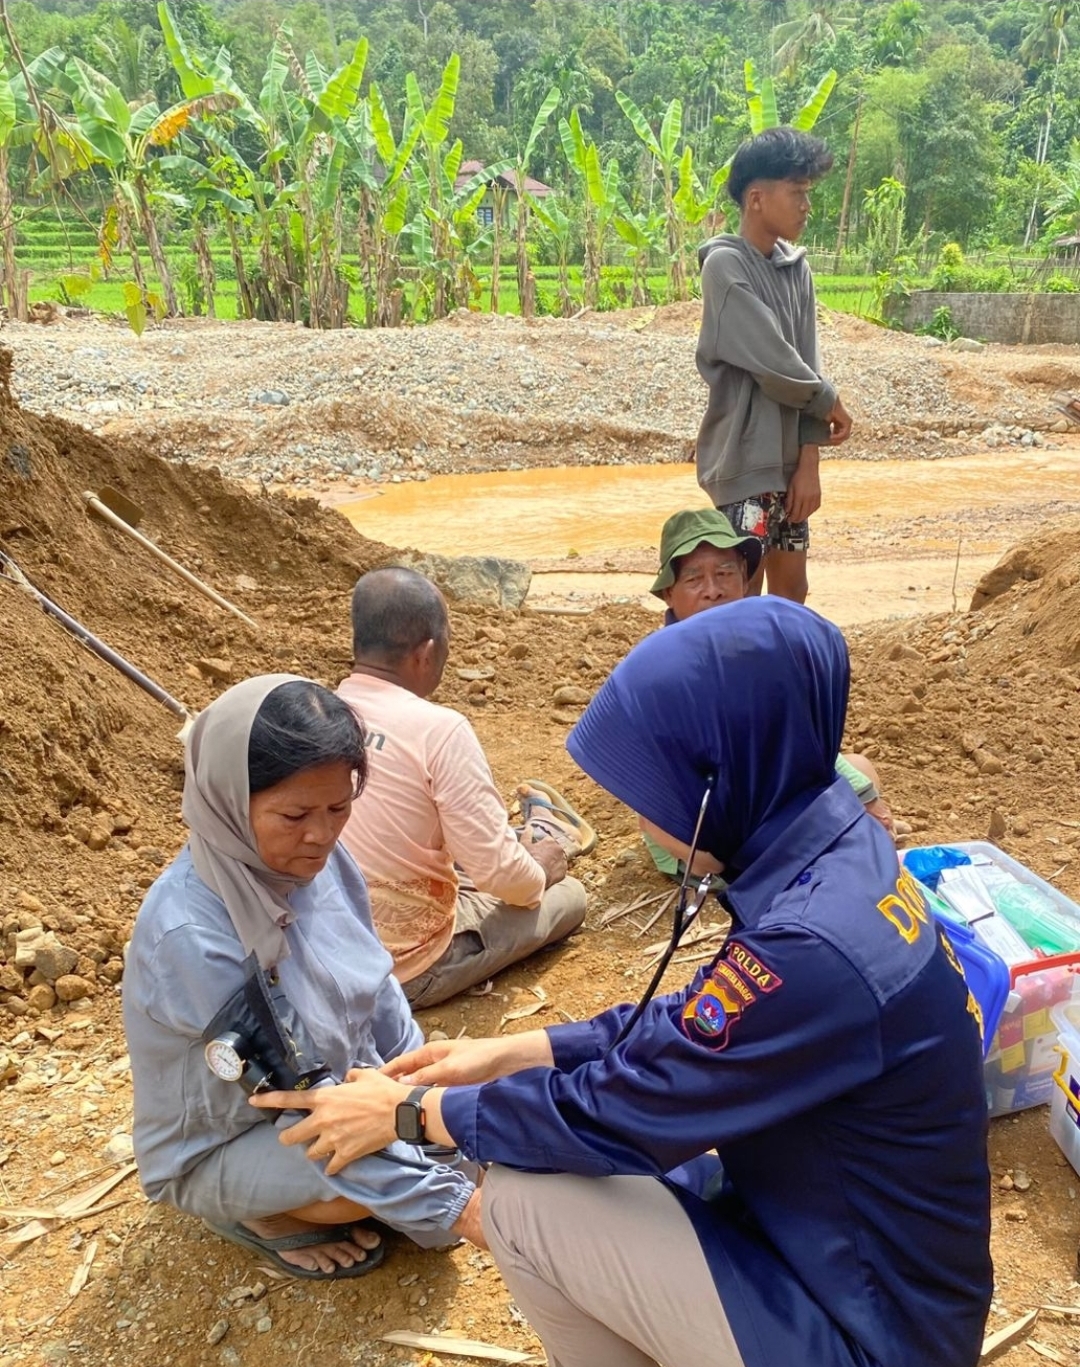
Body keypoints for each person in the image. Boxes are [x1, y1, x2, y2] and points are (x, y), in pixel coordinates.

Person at [252, 599, 992, 1367]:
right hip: (833, 1252)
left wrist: (412, 1111)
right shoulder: (837, 860)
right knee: (549, 1165)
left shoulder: (812, 944)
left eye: (649, 786)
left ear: (716, 775)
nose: (638, 814)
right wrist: (514, 1050)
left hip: (867, 1332)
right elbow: (704, 1024)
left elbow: (623, 1112)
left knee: (521, 1198)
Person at [122, 674, 480, 1280]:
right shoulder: (192, 938)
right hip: (240, 1137)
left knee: (455, 1140)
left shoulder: (318, 861)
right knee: (427, 1197)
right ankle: (264, 1215)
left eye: (339, 808)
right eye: (293, 814)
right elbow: (301, 1101)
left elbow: (379, 988)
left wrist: (424, 1088)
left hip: (338, 1090)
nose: (321, 835)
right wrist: (467, 1213)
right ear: (228, 800)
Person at [338, 568, 587, 1008]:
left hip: (326, 956)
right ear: (428, 652)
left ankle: (526, 839)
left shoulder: (319, 712)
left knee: (458, 851)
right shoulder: (439, 730)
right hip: (404, 971)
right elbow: (504, 879)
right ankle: (545, 838)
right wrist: (543, 871)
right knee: (568, 896)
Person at [650, 506, 895, 845]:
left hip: (762, 793)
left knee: (860, 768)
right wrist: (863, 802)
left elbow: (803, 740)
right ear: (668, 593)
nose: (713, 590)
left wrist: (864, 796)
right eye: (694, 579)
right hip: (704, 823)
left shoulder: (757, 649)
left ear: (744, 577)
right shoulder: (663, 667)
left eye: (724, 574)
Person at [695, 125, 853, 604]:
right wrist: (830, 401)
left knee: (792, 591)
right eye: (797, 192)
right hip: (744, 462)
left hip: (790, 467)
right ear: (757, 198)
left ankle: (782, 681)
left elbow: (808, 359)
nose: (807, 205)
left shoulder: (796, 268)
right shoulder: (724, 267)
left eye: (808, 193)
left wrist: (810, 462)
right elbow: (775, 362)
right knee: (743, 592)